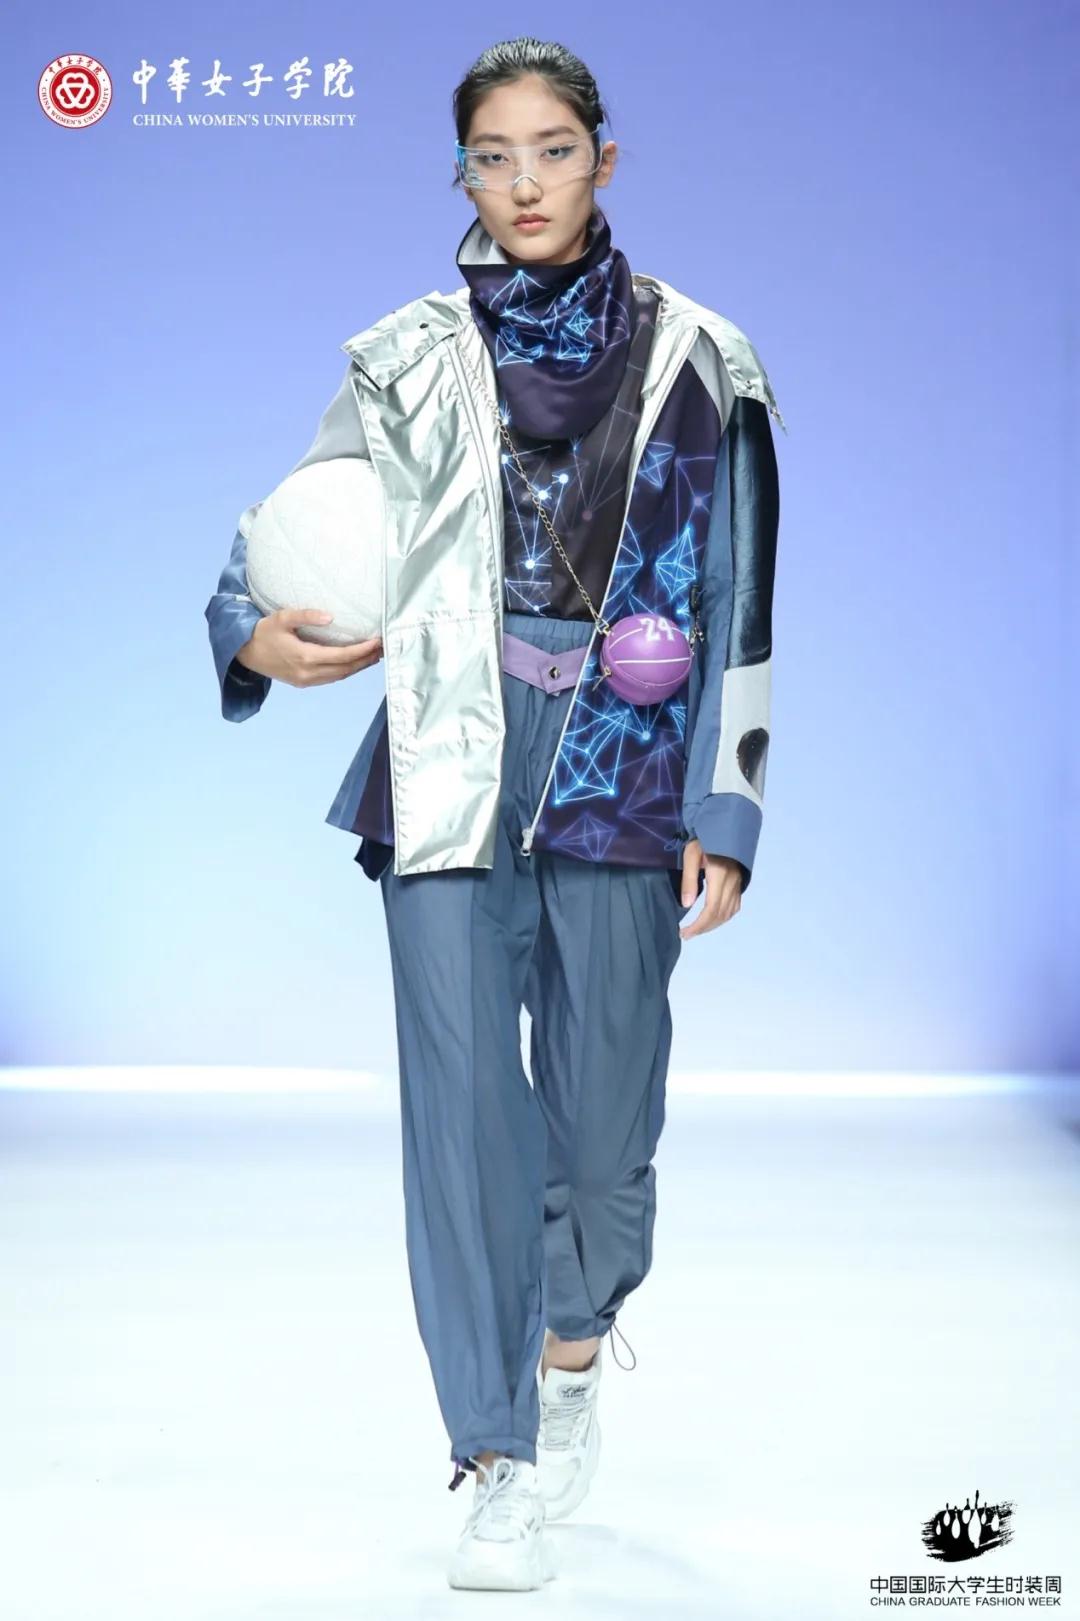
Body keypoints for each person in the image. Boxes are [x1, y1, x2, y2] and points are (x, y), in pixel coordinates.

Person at [205, 35, 783, 1595]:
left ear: (605, 160)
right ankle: (496, 1456)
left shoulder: (702, 359)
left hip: (623, 756)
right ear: (460, 174)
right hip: (448, 748)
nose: (524, 183)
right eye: (492, 156)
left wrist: (727, 799)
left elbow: (739, 597)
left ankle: (572, 1346)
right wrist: (249, 634)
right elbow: (294, 528)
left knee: (602, 1144)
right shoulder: (404, 356)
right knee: (465, 1120)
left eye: (553, 150)